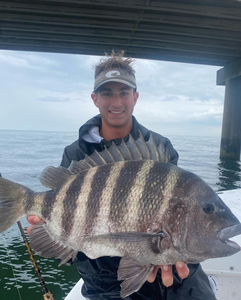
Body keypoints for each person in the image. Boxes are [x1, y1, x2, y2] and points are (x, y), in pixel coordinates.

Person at [27, 51, 216, 300]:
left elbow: (174, 215)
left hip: (162, 264)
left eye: (124, 92)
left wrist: (164, 252)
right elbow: (66, 211)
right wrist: (51, 227)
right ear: (95, 98)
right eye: (107, 93)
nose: (116, 102)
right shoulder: (75, 154)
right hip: (103, 279)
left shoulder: (160, 148)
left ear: (135, 97)